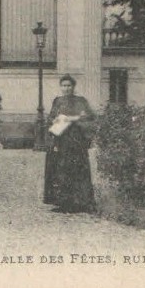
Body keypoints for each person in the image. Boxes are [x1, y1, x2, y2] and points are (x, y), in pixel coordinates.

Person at [43, 74, 97, 214]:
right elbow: (51, 118)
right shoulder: (58, 101)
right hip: (61, 139)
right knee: (61, 171)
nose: (66, 88)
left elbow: (89, 117)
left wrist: (72, 119)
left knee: (78, 170)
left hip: (76, 140)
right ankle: (63, 203)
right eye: (64, 85)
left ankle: (82, 203)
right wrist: (55, 121)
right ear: (60, 87)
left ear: (73, 87)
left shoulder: (81, 101)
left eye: (69, 85)